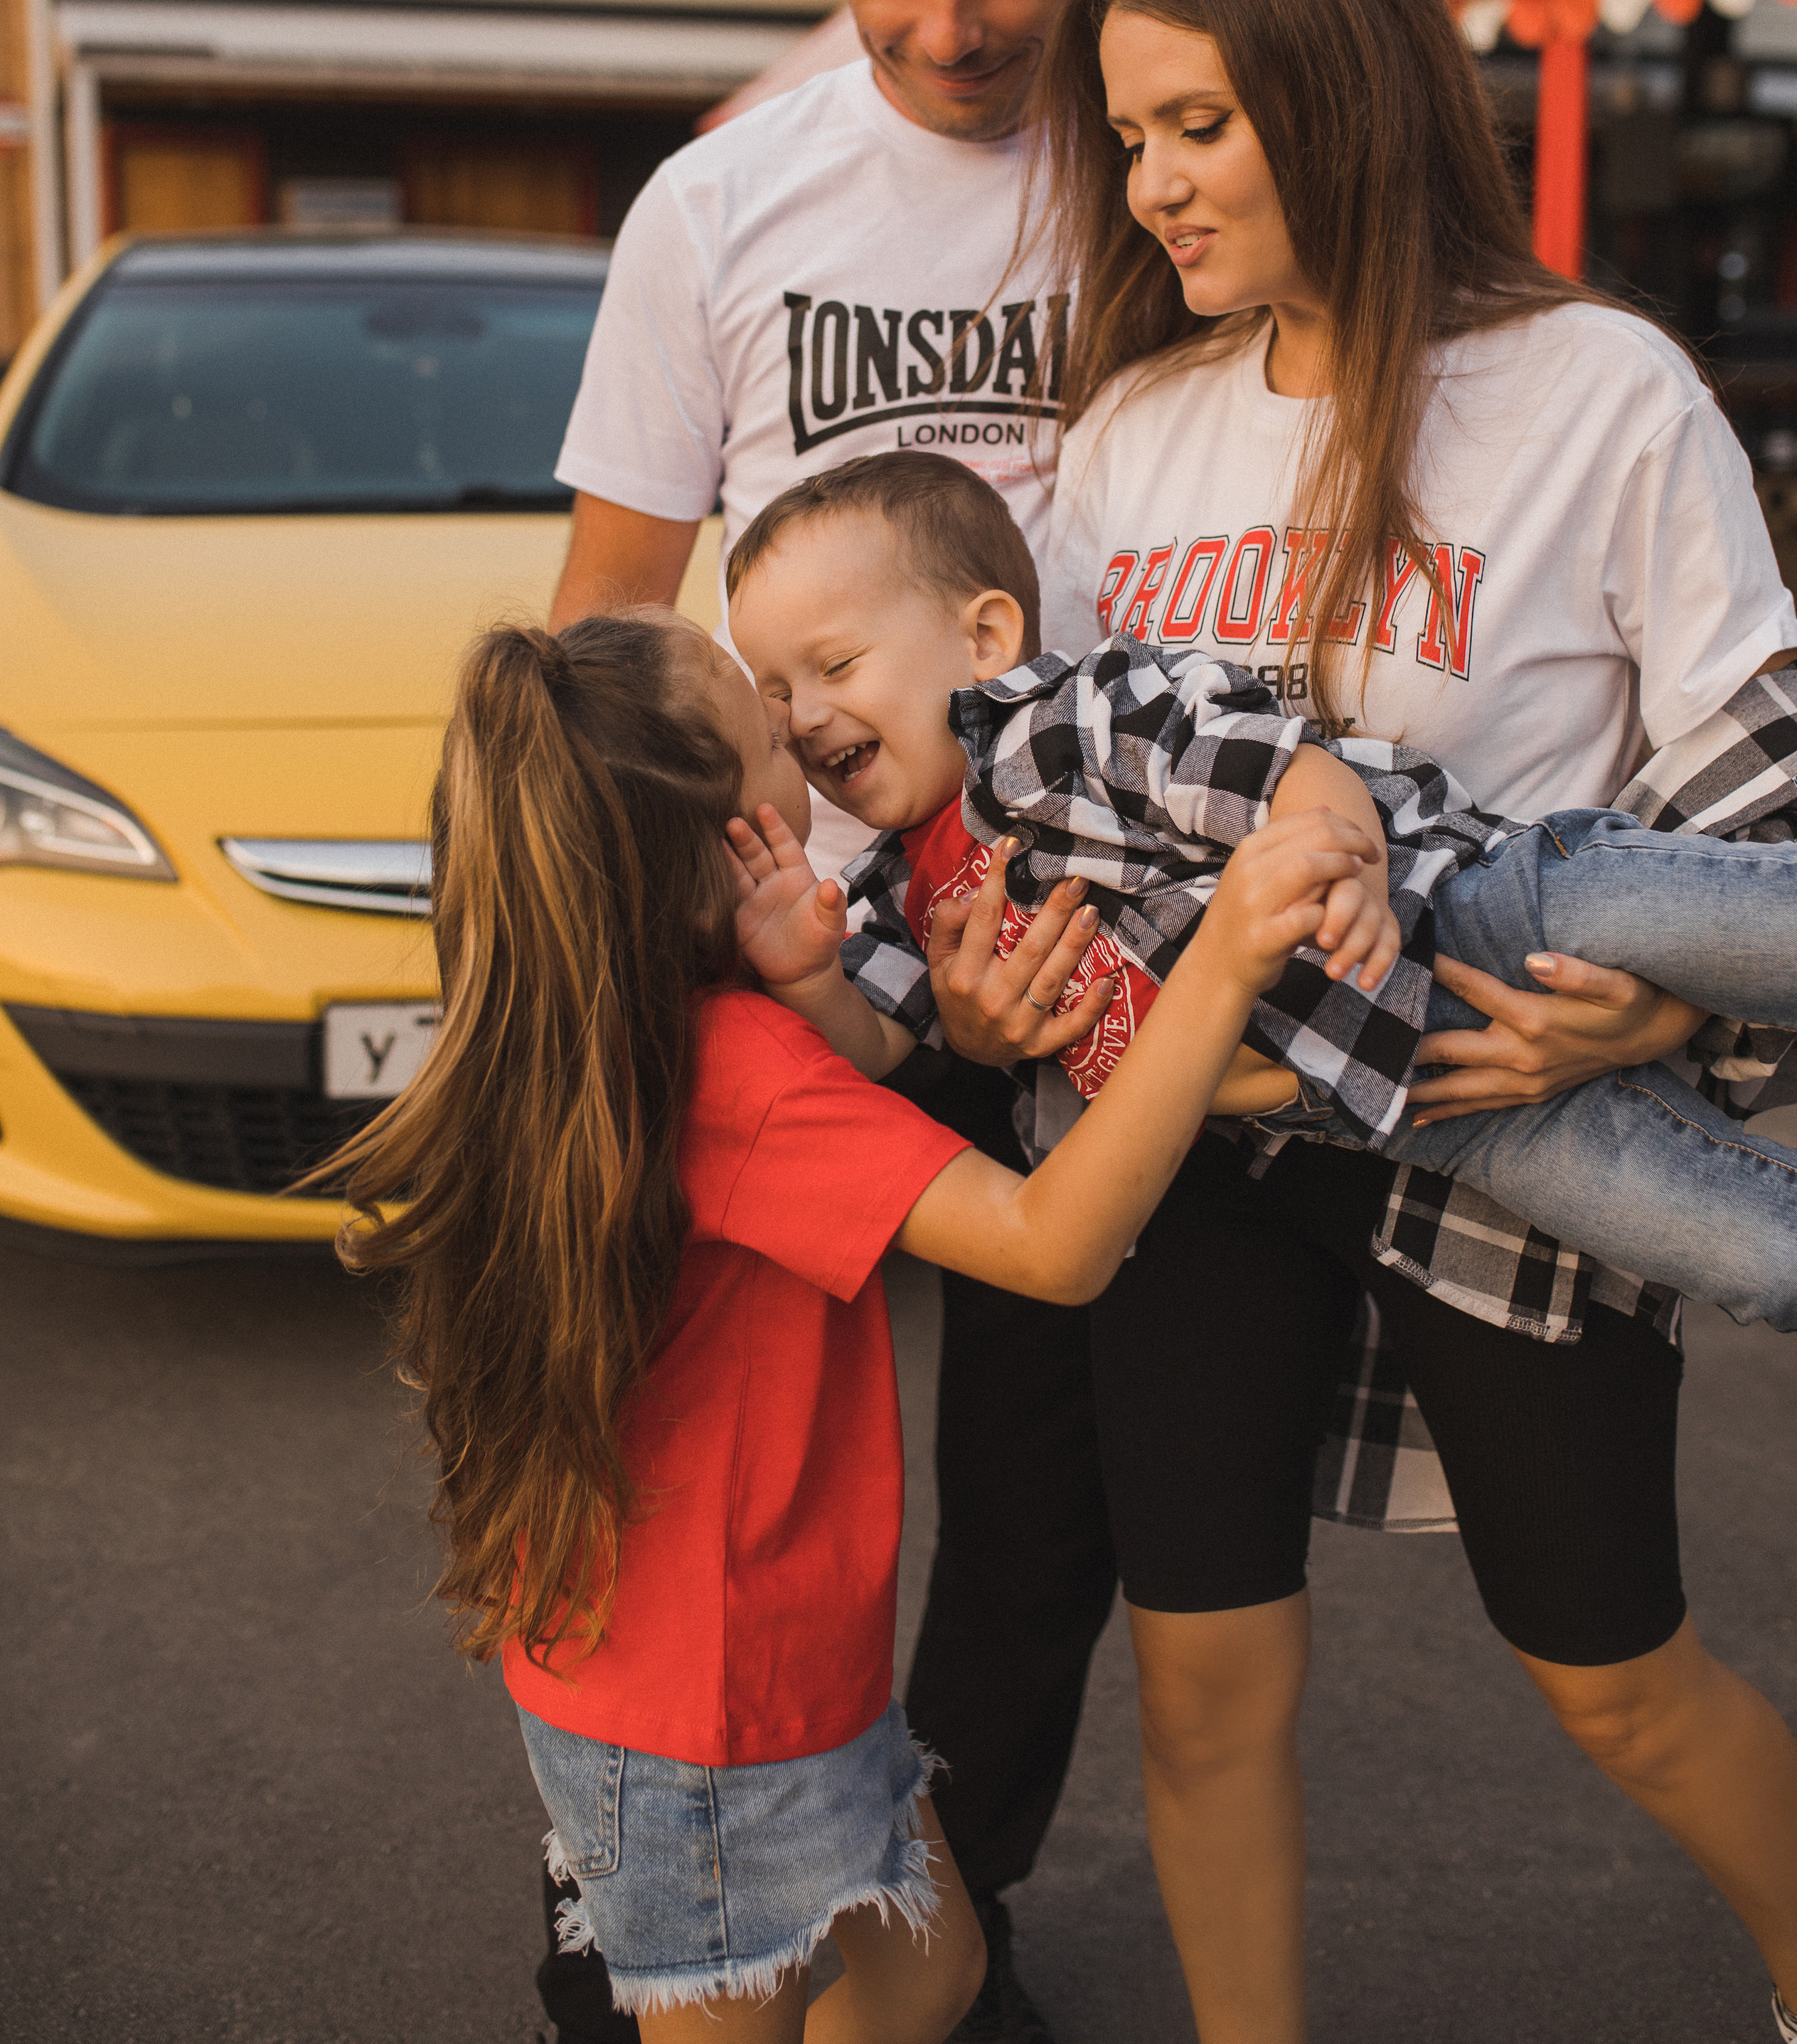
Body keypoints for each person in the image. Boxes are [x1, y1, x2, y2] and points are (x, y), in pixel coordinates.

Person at [928, 0, 1797, 2042]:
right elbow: (1054, 795)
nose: (1151, 190)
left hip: (1498, 1114)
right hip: (1213, 1143)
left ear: (1338, 96)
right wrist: (982, 983)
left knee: (1613, 1676)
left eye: (1198, 127)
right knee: (1207, 1678)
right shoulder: (1138, 434)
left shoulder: (1600, 390)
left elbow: (1772, 814)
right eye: (1129, 139)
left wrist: (1679, 1008)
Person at [319, 610, 1364, 2040]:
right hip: (710, 1731)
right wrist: (1225, 960)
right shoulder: (738, 1072)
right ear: (746, 823)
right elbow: (1052, 1249)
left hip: (761, 1681)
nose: (797, 721)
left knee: (931, 1975)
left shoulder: (610, 1032)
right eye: (766, 718)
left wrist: (805, 977)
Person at [545, 0, 1132, 2044]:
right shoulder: (722, 204)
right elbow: (602, 620)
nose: (952, 20)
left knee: (1031, 1525)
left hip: (1100, 936)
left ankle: (916, 1922)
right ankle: (638, 1901)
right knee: (701, 1473)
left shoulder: (1177, 164)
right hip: (802, 945)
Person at [716, 447, 1797, 1338]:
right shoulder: (899, 890)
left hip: (1477, 909)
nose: (803, 717)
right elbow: (872, 1052)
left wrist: (1347, 867)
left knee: (1781, 930)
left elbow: (1274, 761)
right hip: (1419, 1112)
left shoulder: (1050, 730)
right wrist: (812, 978)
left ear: (988, 637)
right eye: (774, 697)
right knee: (1757, 1253)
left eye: (836, 666)